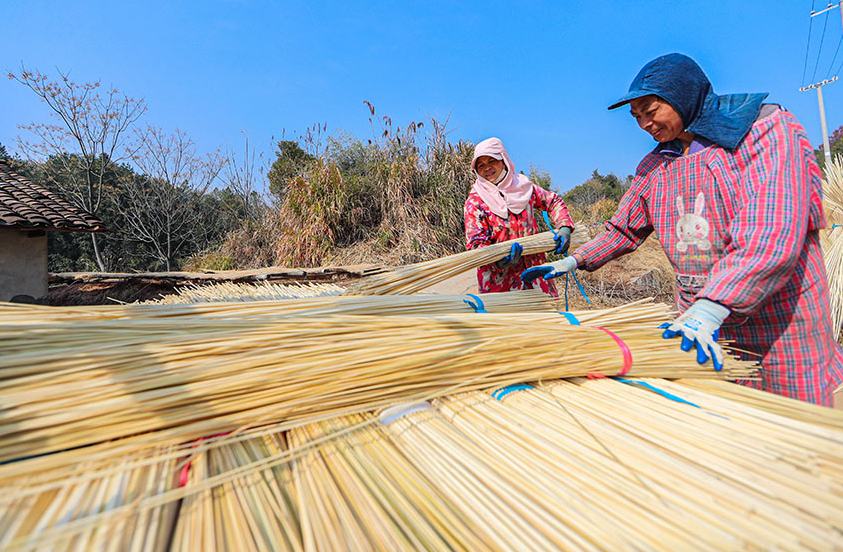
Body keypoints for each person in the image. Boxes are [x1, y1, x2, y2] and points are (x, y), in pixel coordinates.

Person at [523, 53, 843, 406]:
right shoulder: (658, 165)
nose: (644, 123)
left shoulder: (763, 132)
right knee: (728, 422)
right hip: (699, 323)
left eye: (651, 109)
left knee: (792, 422)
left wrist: (714, 305)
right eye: (636, 117)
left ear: (682, 94)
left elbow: (771, 230)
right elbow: (623, 228)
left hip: (778, 315)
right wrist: (575, 261)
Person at [465, 137, 574, 296]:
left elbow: (553, 201)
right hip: (499, 285)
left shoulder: (524, 187)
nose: (487, 168)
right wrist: (498, 259)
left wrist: (564, 227)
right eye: (481, 165)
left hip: (535, 275)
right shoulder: (475, 202)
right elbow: (476, 243)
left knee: (543, 318)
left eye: (492, 161)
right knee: (508, 321)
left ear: (504, 160)